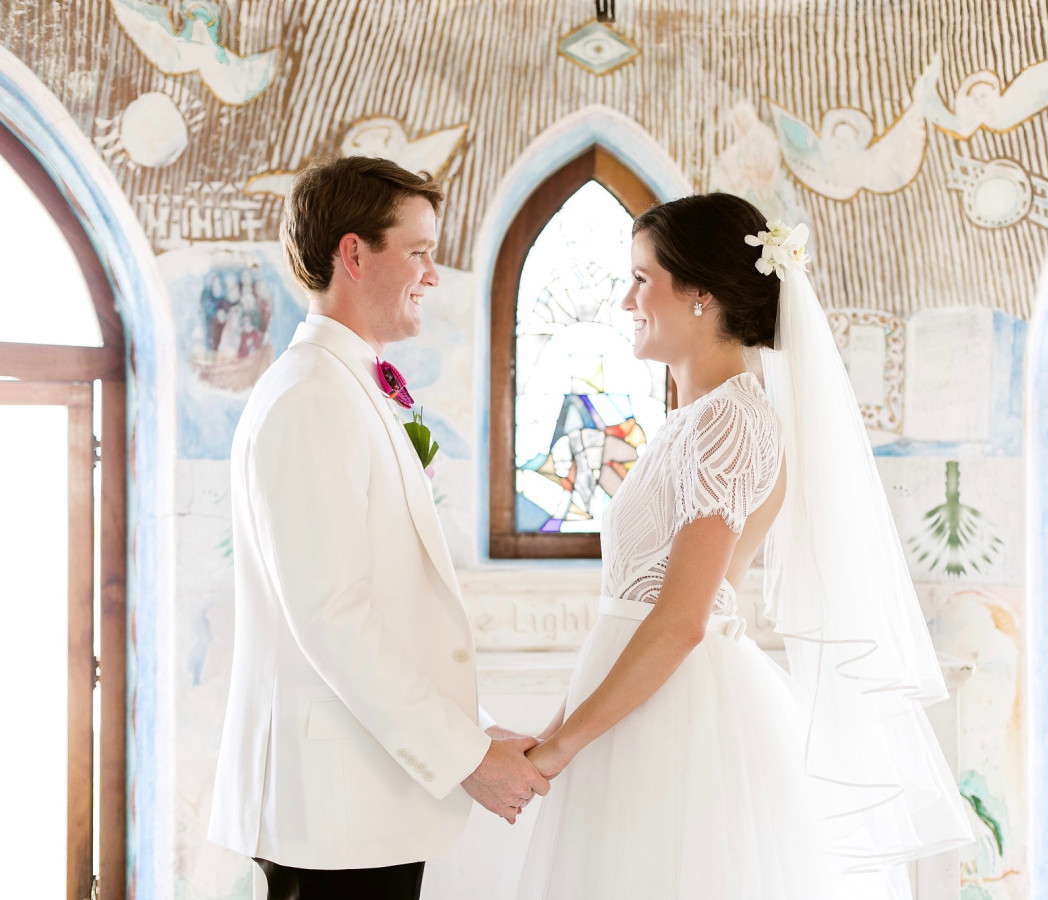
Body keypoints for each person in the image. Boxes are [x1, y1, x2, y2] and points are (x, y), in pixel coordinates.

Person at [518, 193, 972, 898]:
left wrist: (560, 747)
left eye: (643, 278)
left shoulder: (730, 421)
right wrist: (553, 736)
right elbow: (635, 610)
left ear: (700, 293)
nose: (626, 301)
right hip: (637, 710)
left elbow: (679, 620)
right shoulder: (694, 420)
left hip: (677, 719)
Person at [208, 156, 549, 899]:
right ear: (355, 254)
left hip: (360, 797)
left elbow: (393, 611)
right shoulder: (311, 398)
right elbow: (334, 619)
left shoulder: (345, 385)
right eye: (420, 252)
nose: (433, 274)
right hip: (332, 808)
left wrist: (477, 729)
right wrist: (466, 758)